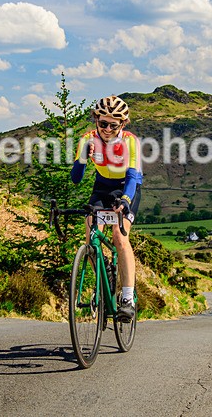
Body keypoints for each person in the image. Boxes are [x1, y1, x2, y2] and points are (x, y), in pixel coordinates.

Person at [70, 95, 143, 322]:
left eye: (114, 124)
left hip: (126, 187)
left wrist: (125, 200)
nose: (108, 129)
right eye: (103, 124)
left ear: (122, 124)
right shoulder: (87, 139)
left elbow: (132, 177)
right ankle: (105, 279)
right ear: (96, 121)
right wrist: (83, 158)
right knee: (90, 234)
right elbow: (76, 178)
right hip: (101, 187)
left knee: (119, 237)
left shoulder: (131, 141)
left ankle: (128, 299)